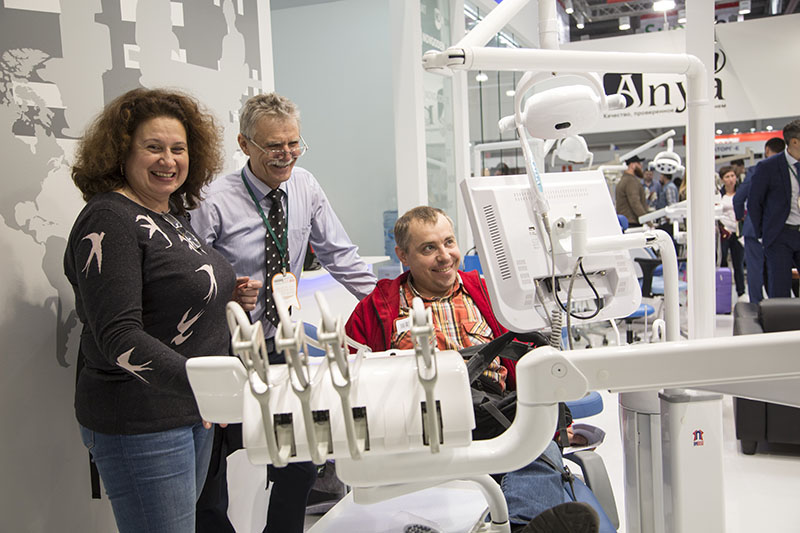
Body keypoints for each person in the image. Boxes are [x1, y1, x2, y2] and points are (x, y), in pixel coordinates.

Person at [345, 206, 608, 533]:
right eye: (428, 248)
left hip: (496, 413)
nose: (444, 256)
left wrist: (554, 424)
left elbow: (533, 365)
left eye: (449, 242)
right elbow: (351, 384)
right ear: (403, 256)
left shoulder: (490, 294)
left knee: (536, 444)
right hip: (423, 426)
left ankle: (524, 526)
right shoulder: (376, 308)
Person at [191, 92, 378, 533]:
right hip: (225, 350)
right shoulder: (212, 200)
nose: (286, 154)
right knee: (210, 476)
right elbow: (188, 279)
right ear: (245, 144)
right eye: (274, 145)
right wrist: (225, 295)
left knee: (301, 461)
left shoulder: (305, 186)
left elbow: (340, 255)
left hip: (281, 344)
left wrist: (390, 305)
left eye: (294, 143)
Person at [64, 88, 238, 533]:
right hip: (142, 419)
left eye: (178, 149)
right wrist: (204, 388)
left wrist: (229, 296)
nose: (168, 160)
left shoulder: (169, 213)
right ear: (122, 151)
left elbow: (170, 295)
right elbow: (119, 336)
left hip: (188, 411)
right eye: (153, 147)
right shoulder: (110, 219)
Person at [748, 119, 800, 298]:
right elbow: (754, 203)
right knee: (780, 288)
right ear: (794, 142)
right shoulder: (768, 167)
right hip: (779, 235)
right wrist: (763, 233)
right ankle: (781, 318)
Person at [733, 137, 785, 303]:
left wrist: (740, 217)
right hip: (779, 229)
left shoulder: (756, 170)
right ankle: (777, 305)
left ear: (767, 150)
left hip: (754, 228)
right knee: (775, 269)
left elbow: (738, 198)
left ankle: (756, 306)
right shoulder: (788, 171)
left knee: (754, 270)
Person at [718, 166, 746, 298]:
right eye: (727, 177)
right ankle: (723, 293)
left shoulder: (741, 193)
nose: (731, 179)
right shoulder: (719, 195)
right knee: (722, 261)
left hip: (738, 232)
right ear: (722, 179)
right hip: (724, 232)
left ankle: (741, 293)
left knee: (738, 264)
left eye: (732, 176)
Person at [615, 155, 648, 227]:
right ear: (632, 165)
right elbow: (635, 203)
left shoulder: (623, 180)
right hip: (632, 223)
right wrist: (648, 221)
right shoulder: (631, 181)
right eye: (639, 164)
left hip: (626, 222)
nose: (641, 166)